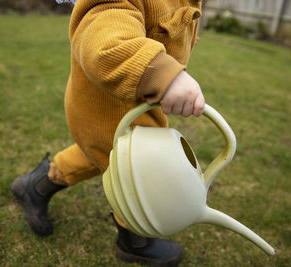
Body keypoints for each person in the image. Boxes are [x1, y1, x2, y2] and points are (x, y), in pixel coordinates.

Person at [11, 0, 205, 266]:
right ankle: (134, 242)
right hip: (109, 103)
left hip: (135, 103)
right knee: (139, 173)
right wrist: (162, 73)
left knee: (103, 155)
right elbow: (106, 39)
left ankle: (36, 185)